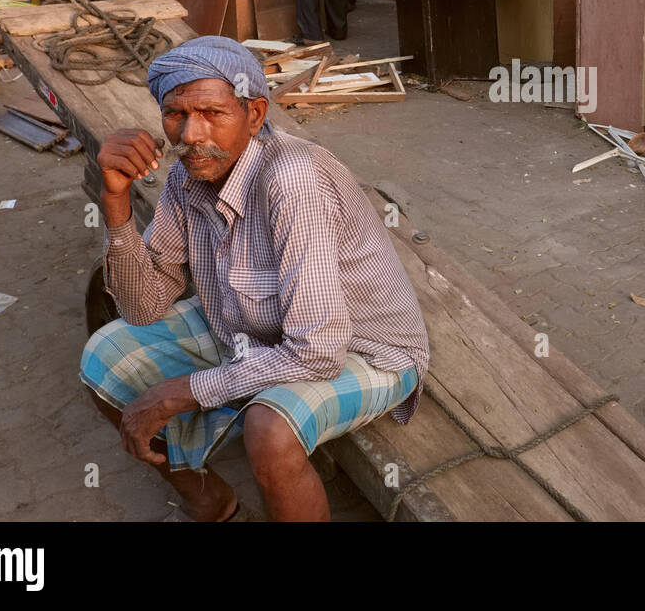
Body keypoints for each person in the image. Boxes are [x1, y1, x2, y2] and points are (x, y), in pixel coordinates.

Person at [81, 36, 429, 521]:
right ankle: (210, 499)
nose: (192, 133)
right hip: (251, 327)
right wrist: (116, 202)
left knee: (270, 430)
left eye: (213, 113)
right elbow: (143, 308)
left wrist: (184, 391)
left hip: (359, 347)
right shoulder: (188, 174)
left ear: (256, 114)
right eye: (175, 114)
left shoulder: (293, 181)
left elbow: (318, 350)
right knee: (105, 356)